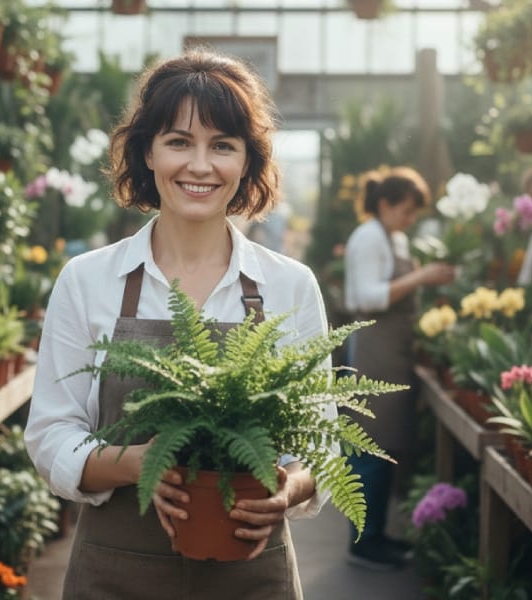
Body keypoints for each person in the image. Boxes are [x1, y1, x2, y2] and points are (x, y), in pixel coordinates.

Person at [24, 49, 335, 599]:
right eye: (179, 141)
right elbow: (51, 435)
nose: (200, 165)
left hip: (252, 576)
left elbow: (320, 444)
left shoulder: (289, 285)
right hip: (116, 573)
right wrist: (135, 465)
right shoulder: (88, 280)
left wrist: (287, 487)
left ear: (247, 161)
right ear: (147, 151)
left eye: (223, 145)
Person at [342, 167, 456, 570]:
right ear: (385, 204)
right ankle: (362, 541)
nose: (410, 219)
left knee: (386, 443)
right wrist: (422, 276)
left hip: (395, 351)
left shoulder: (394, 237)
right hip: (374, 350)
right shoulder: (368, 237)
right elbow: (366, 297)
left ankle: (376, 533)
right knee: (370, 444)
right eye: (406, 210)